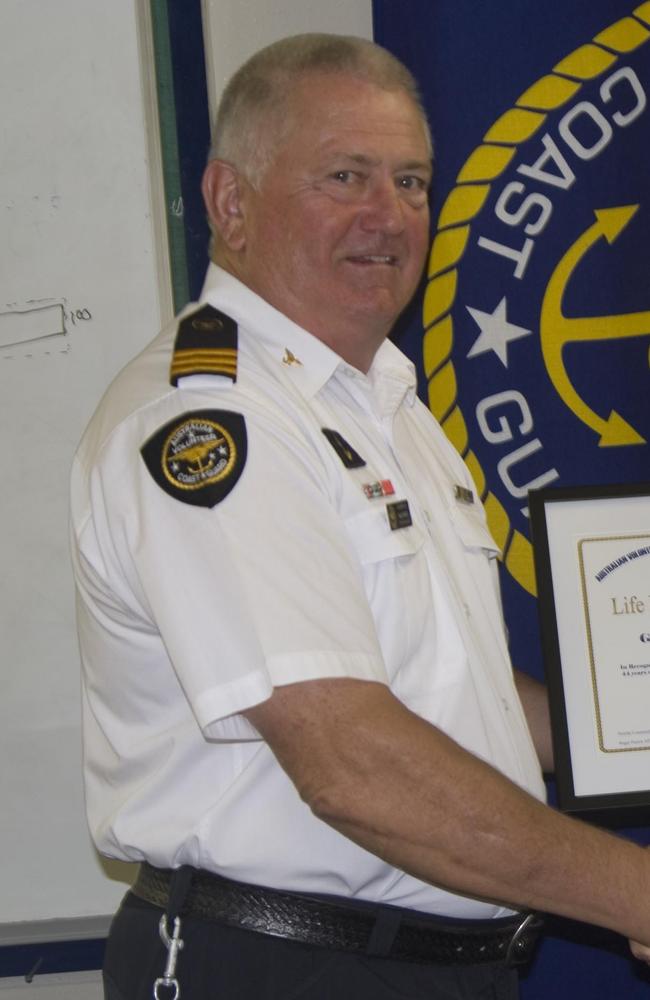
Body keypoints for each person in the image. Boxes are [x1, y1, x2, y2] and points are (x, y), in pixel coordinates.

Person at [70, 33, 650, 1000]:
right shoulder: (215, 419)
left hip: (425, 969)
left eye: (414, 182)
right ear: (231, 201)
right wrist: (633, 891)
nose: (389, 217)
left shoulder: (381, 402)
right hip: (280, 968)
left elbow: (441, 684)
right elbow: (348, 760)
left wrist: (622, 725)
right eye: (346, 176)